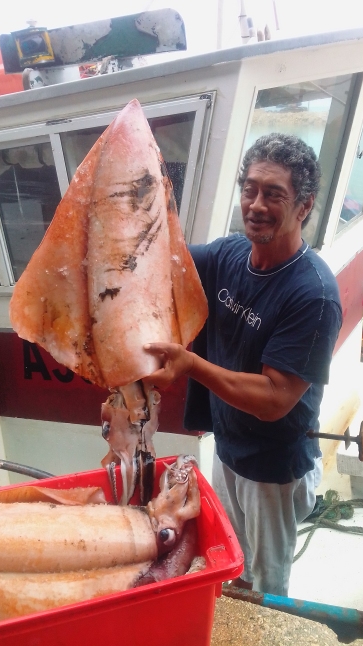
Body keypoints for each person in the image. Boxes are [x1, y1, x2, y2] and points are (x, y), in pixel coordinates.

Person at [143, 133, 342, 596]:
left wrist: (191, 364)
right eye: (250, 189)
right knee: (231, 560)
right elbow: (171, 263)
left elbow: (275, 399)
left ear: (304, 207)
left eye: (274, 194)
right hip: (229, 447)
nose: (257, 204)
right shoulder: (231, 254)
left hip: (273, 466)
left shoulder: (312, 294)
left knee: (269, 588)